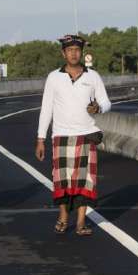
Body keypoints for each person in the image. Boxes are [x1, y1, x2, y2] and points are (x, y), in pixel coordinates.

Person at [35, 35, 111, 236]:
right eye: (69, 50)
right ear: (63, 53)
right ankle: (63, 217)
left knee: (85, 182)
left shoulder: (92, 76)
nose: (74, 53)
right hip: (61, 136)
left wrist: (98, 108)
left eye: (77, 50)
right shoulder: (54, 77)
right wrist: (41, 139)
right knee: (62, 181)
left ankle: (80, 223)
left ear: (82, 52)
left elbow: (106, 102)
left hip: (87, 135)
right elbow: (46, 109)